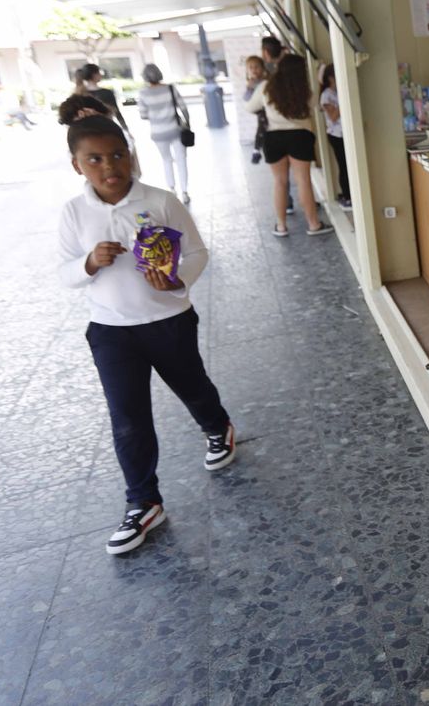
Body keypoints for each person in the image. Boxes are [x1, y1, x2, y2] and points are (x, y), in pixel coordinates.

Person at [56, 116, 235, 555]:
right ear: (77, 165)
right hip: (110, 330)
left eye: (117, 155)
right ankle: (144, 502)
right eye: (94, 159)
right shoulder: (74, 212)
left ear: (131, 154)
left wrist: (176, 280)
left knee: (192, 388)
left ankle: (218, 428)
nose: (109, 166)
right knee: (128, 419)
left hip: (168, 320)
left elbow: (197, 252)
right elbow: (64, 272)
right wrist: (89, 262)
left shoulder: (160, 201)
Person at [246, 53, 333, 237]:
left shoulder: (266, 87)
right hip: (300, 136)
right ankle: (314, 224)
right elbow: (314, 105)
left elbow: (250, 107)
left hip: (273, 137)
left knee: (279, 182)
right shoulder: (304, 89)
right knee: (303, 181)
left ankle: (281, 226)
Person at [135, 64, 190, 204]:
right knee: (181, 159)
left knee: (166, 160)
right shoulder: (170, 88)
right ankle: (185, 192)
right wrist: (187, 122)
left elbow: (143, 115)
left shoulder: (143, 93)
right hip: (175, 129)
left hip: (158, 133)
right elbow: (183, 107)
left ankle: (172, 189)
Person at [319, 63, 350, 210]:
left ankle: (348, 194)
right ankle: (347, 196)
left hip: (344, 134)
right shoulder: (326, 95)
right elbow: (333, 116)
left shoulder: (336, 92)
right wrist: (344, 98)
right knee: (344, 165)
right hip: (336, 135)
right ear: (331, 78)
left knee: (348, 165)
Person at [72, 64, 127, 132]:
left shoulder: (78, 94)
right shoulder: (106, 93)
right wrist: (126, 129)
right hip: (106, 128)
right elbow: (117, 112)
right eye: (99, 72)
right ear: (94, 75)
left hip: (87, 131)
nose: (101, 75)